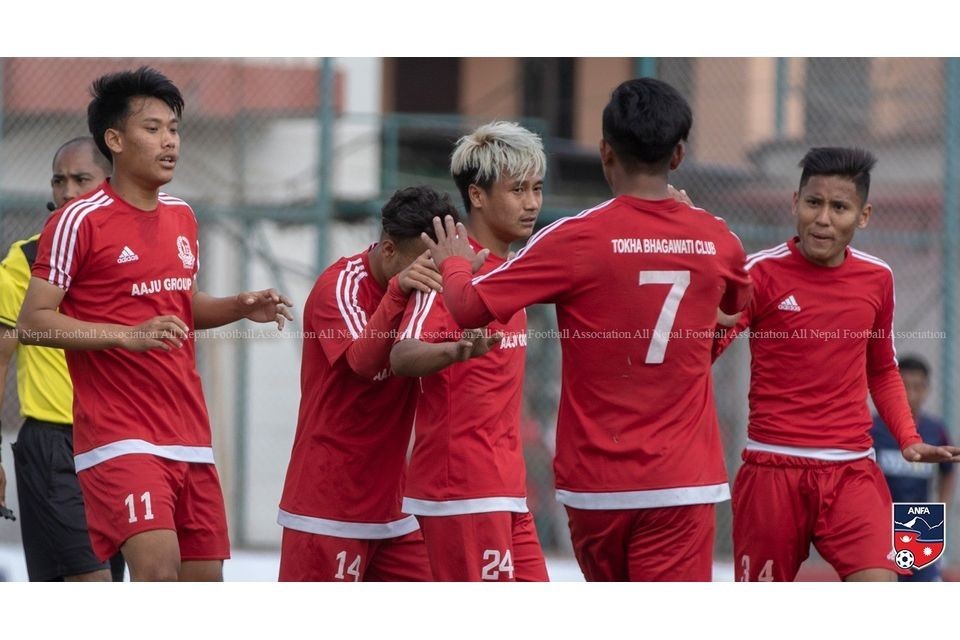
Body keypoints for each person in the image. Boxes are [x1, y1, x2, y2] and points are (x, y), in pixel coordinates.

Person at [421, 79, 751, 581]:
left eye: (534, 188)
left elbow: (467, 306)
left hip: (596, 485)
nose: (530, 201)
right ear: (679, 155)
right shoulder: (717, 238)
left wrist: (452, 263)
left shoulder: (574, 238)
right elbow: (736, 310)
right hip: (685, 480)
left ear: (605, 151)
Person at [17, 67, 293, 582]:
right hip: (119, 437)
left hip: (189, 435)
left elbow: (180, 307)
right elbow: (33, 322)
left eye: (173, 129)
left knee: (202, 584)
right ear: (115, 140)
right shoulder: (77, 220)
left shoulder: (182, 215)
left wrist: (238, 305)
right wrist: (126, 336)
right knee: (158, 575)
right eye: (153, 129)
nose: (169, 141)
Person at [712, 147, 960, 582]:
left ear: (863, 216)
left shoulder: (877, 278)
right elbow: (704, 353)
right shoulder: (759, 273)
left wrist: (907, 438)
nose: (823, 219)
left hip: (851, 471)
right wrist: (709, 316)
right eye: (814, 202)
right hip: (773, 469)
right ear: (795, 203)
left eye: (839, 207)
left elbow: (881, 369)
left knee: (882, 588)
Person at [390, 122, 549, 581]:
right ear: (476, 195)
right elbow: (402, 354)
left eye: (537, 188)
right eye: (517, 189)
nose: (531, 203)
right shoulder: (451, 265)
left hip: (508, 488)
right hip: (462, 489)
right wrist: (455, 351)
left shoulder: (512, 268)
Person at [277, 186, 457, 582]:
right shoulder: (339, 286)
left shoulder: (428, 291)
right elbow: (363, 362)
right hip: (329, 507)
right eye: (424, 265)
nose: (433, 276)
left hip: (397, 509)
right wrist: (397, 291)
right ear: (389, 250)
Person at [0, 137, 124, 581]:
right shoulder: (27, 258)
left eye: (81, 179)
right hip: (54, 444)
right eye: (59, 180)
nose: (68, 191)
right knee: (92, 582)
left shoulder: (129, 257)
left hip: (117, 442)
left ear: (110, 183)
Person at [870, 354, 954, 581]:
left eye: (918, 387)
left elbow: (948, 472)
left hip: (921, 523)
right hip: (881, 523)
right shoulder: (872, 430)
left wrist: (942, 508)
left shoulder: (936, 430)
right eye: (905, 386)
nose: (911, 395)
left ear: (927, 389)